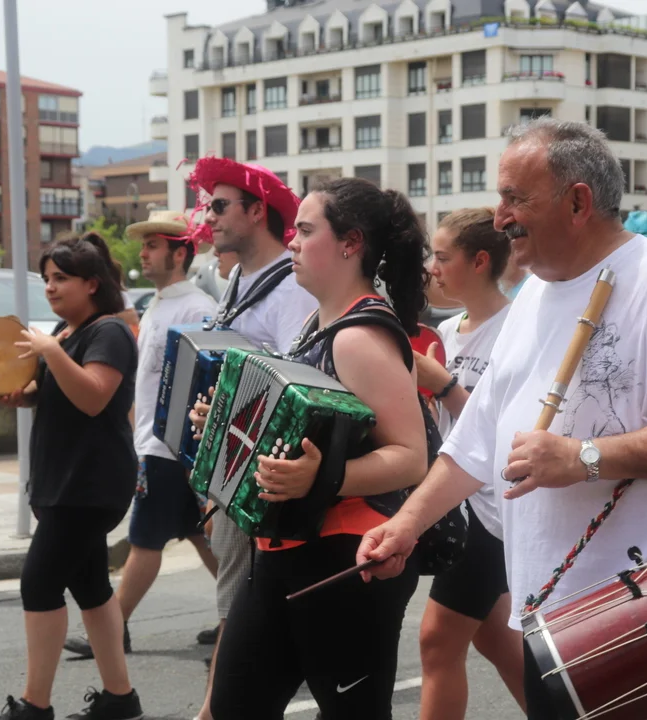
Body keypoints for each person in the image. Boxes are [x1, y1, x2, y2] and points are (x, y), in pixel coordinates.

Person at [355, 118, 647, 719]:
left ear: (578, 202)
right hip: (545, 617)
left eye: (515, 198)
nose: (500, 217)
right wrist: (405, 525)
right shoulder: (534, 293)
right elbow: (474, 441)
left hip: (638, 613)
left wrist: (583, 458)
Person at [207, 177, 430, 719]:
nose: (292, 242)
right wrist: (224, 421)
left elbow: (411, 457)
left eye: (306, 231)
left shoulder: (358, 337)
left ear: (351, 243)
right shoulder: (319, 321)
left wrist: (322, 478)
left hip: (342, 560)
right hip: (287, 550)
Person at [181, 157, 318, 720]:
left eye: (218, 206)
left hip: (257, 475)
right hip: (234, 470)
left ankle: (211, 712)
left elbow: (298, 388)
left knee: (236, 608)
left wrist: (228, 418)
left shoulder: (291, 290)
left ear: (257, 211)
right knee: (246, 610)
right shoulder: (240, 279)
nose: (207, 218)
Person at [0, 233, 143, 720]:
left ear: (91, 283)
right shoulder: (64, 331)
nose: (50, 287)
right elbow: (56, 390)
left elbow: (95, 396)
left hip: (90, 484)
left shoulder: (109, 332)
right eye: (46, 278)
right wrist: (24, 395)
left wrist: (51, 353)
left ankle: (35, 706)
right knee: (91, 587)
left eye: (61, 278)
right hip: (66, 480)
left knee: (38, 585)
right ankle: (120, 699)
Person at [62, 211, 219, 660]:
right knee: (198, 535)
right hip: (153, 441)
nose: (143, 254)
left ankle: (113, 628)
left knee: (146, 539)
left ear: (180, 253)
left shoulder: (197, 309)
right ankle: (244, 613)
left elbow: (203, 380)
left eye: (153, 246)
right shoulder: (158, 305)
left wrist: (185, 447)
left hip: (172, 445)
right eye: (144, 246)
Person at [413, 208, 525, 719]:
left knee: (437, 640)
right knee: (497, 640)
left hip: (492, 509)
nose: (431, 268)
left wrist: (442, 384)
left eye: (442, 257)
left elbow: (498, 432)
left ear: (480, 261)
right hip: (454, 503)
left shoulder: (517, 329)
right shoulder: (445, 330)